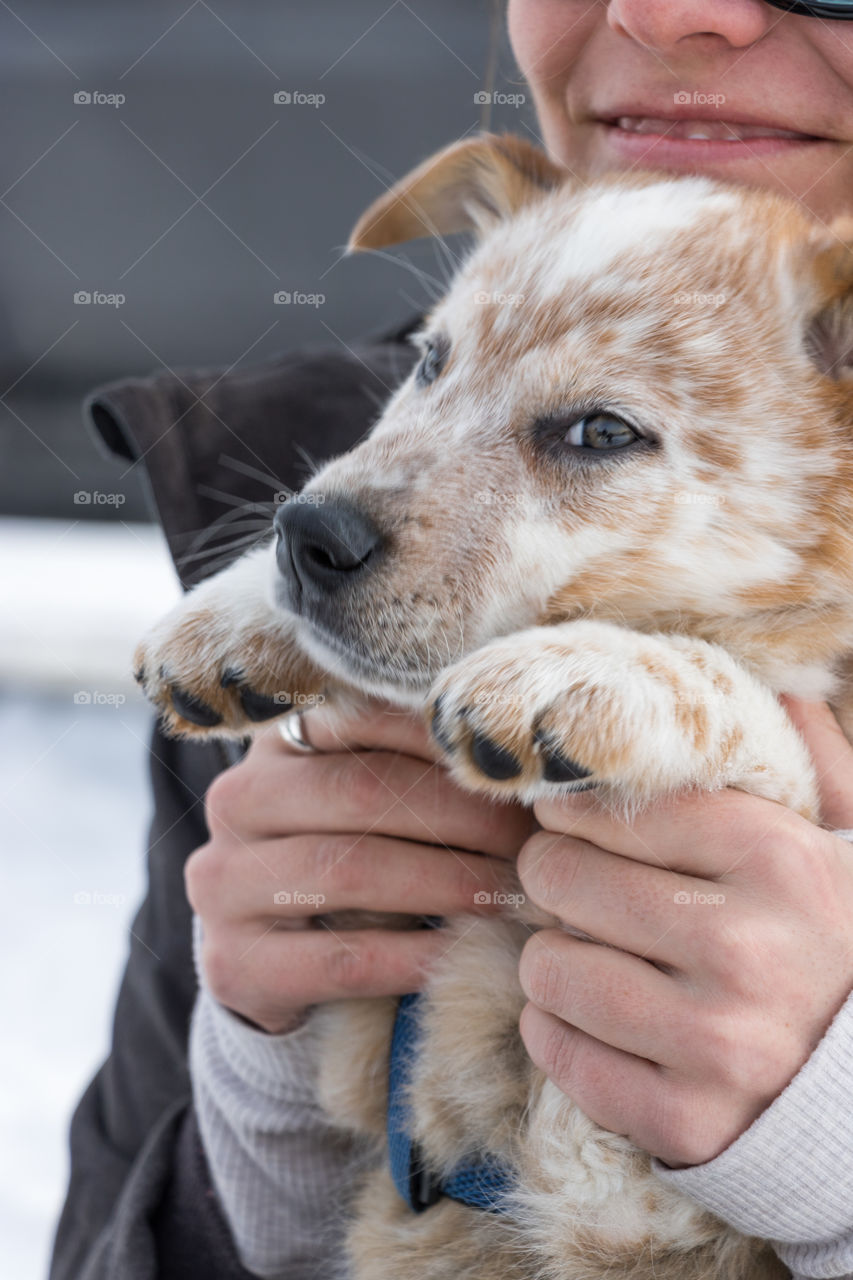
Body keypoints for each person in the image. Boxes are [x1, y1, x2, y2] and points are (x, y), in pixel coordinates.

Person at [50, 3, 853, 1278]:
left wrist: (829, 1150)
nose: (665, 6)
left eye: (594, 432)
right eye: (432, 366)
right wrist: (270, 1106)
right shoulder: (293, 582)